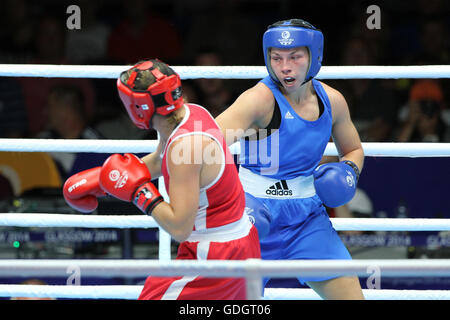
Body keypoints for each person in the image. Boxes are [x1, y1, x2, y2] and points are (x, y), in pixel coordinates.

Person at [62, 59, 267, 300]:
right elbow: (162, 160)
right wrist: (104, 180)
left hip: (213, 254)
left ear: (139, 107)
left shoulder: (186, 148)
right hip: (235, 243)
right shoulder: (192, 113)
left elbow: (179, 227)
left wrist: (140, 191)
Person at [215, 19, 365, 299]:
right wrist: (223, 198)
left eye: (295, 57)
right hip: (252, 216)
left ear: (313, 56)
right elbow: (207, 143)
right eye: (277, 57)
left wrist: (348, 171)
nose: (285, 66)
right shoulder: (258, 100)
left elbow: (353, 149)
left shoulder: (332, 101)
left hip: (308, 218)